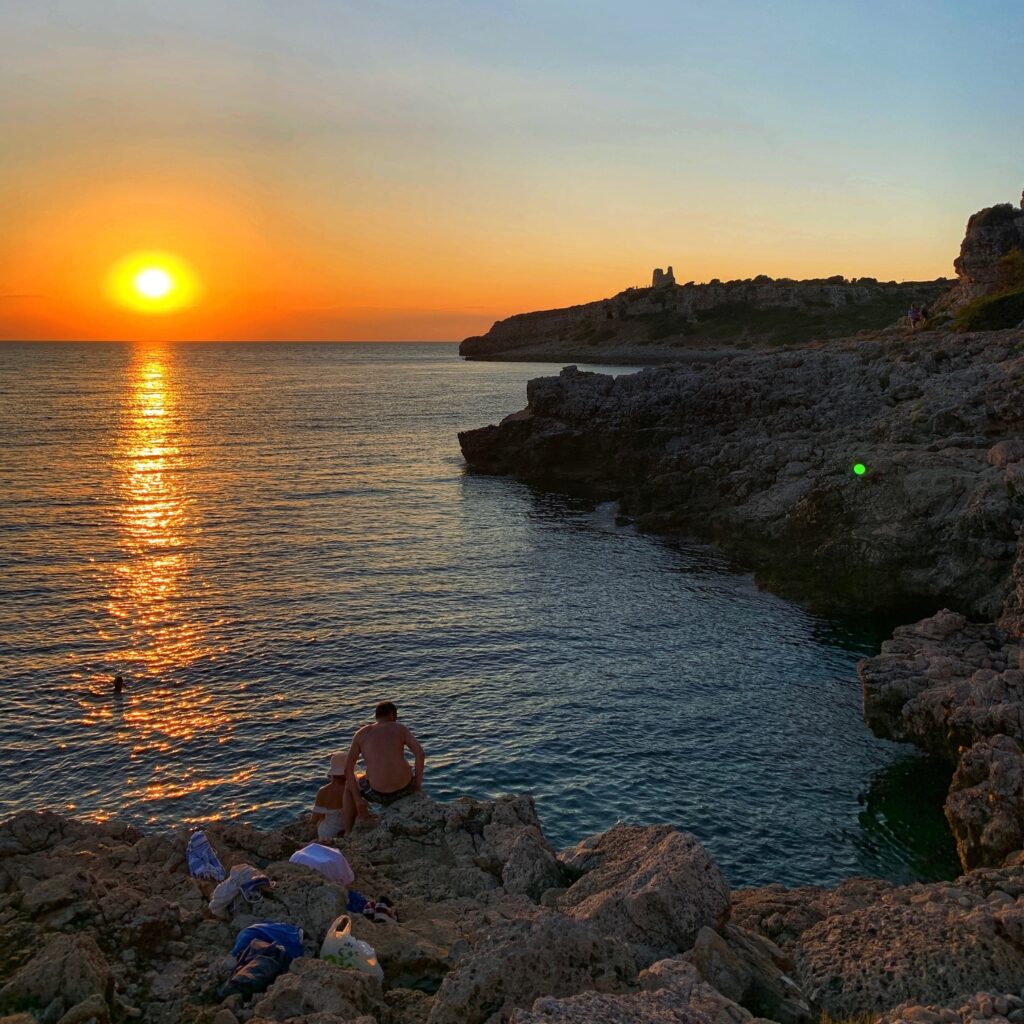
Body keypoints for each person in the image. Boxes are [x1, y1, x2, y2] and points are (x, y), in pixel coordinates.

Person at [342, 701, 424, 833]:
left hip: (377, 793)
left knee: (348, 786)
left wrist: (358, 800)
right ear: (392, 715)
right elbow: (420, 754)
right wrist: (417, 785)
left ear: (376, 716)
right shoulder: (400, 728)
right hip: (405, 789)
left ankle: (349, 830)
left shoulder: (361, 733)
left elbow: (347, 769)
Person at [310, 753, 349, 840]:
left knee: (321, 815)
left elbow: (314, 820)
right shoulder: (352, 788)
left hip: (328, 834)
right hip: (349, 829)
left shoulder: (323, 791)